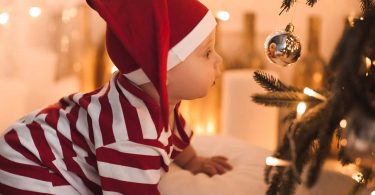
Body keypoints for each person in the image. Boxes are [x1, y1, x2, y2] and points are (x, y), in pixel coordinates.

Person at [0, 0, 232, 194]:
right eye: (207, 52)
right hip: (28, 163)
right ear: (163, 71)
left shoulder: (155, 99)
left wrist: (192, 161)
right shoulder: (132, 138)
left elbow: (173, 130)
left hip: (32, 141)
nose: (218, 60)